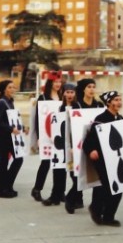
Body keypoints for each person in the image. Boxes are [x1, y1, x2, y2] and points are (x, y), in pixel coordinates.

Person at [83, 90, 123, 226]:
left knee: (119, 187)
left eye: (120, 100)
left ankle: (109, 216)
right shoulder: (100, 119)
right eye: (116, 100)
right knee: (105, 187)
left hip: (116, 159)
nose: (119, 102)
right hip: (102, 159)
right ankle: (95, 209)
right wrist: (91, 150)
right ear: (108, 103)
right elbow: (88, 141)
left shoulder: (121, 119)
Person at [64, 78, 104, 214]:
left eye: (93, 86)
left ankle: (96, 205)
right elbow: (70, 128)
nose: (92, 89)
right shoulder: (77, 106)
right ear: (83, 89)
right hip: (79, 145)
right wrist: (70, 146)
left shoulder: (99, 105)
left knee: (98, 176)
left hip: (95, 146)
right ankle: (70, 199)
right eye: (89, 87)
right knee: (79, 177)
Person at [43, 83, 76, 206]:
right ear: (63, 93)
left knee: (74, 174)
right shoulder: (60, 108)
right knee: (58, 171)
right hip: (60, 144)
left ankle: (74, 198)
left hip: (73, 145)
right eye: (67, 92)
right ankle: (55, 196)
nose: (69, 95)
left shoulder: (78, 108)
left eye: (72, 92)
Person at [31, 72, 62, 201]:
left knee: (60, 164)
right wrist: (39, 136)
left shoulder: (62, 96)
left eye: (59, 82)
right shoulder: (43, 98)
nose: (58, 84)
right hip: (46, 134)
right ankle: (37, 189)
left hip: (59, 134)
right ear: (50, 83)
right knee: (46, 163)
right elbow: (38, 119)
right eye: (55, 82)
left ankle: (59, 192)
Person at [0, 80, 23, 198]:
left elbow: (12, 119)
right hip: (3, 137)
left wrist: (21, 127)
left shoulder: (10, 102)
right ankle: (3, 188)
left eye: (13, 87)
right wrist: (11, 129)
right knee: (5, 161)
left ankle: (7, 185)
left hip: (10, 136)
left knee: (13, 159)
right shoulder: (1, 103)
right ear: (4, 89)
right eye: (10, 87)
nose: (12, 89)